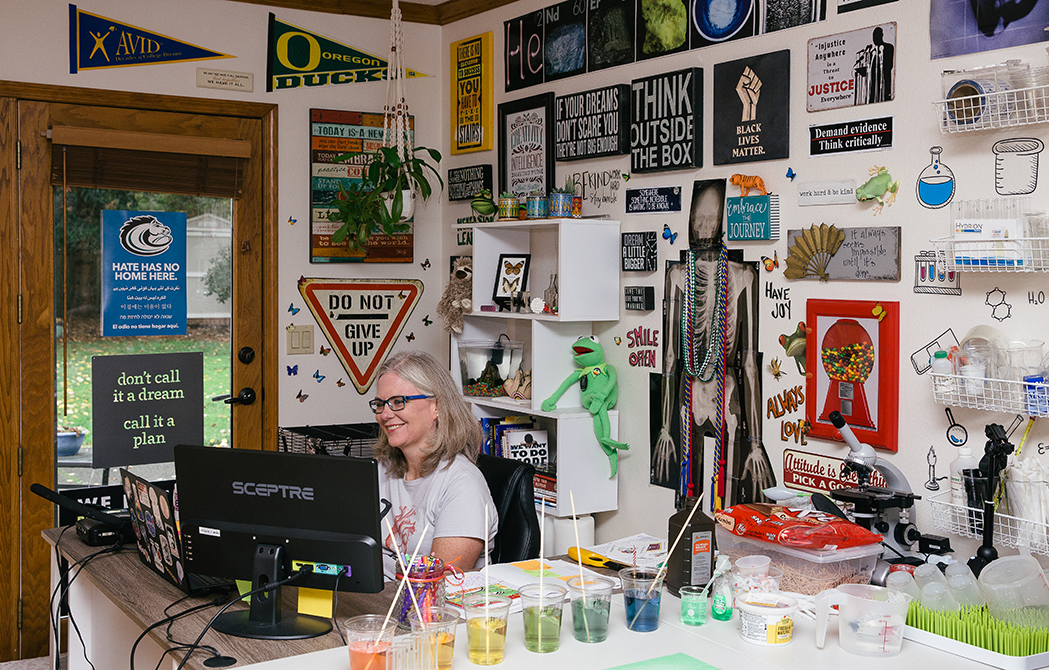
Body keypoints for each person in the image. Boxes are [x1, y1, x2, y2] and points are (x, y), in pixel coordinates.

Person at [370, 350, 498, 579]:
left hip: (428, 607)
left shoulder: (462, 484)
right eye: (380, 404)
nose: (385, 414)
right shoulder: (380, 468)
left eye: (398, 402)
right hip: (372, 600)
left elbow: (438, 584)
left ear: (436, 406)